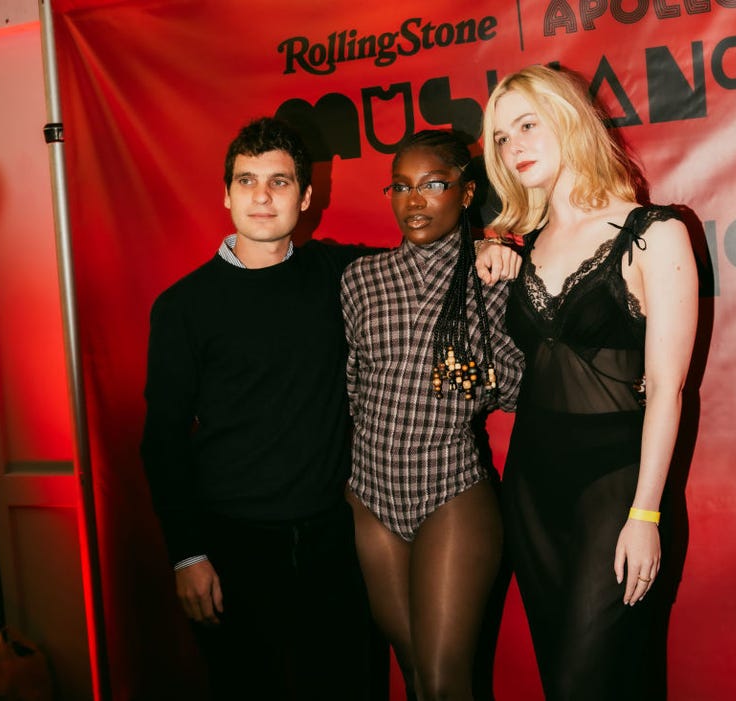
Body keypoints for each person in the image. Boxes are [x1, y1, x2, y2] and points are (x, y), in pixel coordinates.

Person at [140, 117, 521, 700]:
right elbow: (162, 440)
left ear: (306, 196)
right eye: (246, 181)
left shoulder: (338, 274)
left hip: (332, 538)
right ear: (225, 192)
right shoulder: (183, 307)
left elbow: (425, 255)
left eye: (279, 181)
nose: (262, 196)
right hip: (235, 544)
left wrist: (491, 246)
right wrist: (186, 553)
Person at [481, 65, 698, 700]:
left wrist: (646, 512)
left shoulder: (656, 232)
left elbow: (667, 387)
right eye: (499, 138)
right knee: (566, 680)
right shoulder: (523, 242)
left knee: (587, 681)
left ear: (569, 119)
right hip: (530, 484)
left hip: (616, 483)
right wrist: (484, 248)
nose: (512, 146)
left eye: (526, 125)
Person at [340, 130, 524, 701]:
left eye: (432, 185)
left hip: (451, 487)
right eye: (400, 187)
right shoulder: (359, 281)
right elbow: (351, 387)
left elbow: (526, 391)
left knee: (446, 682)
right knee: (417, 672)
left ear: (466, 194)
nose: (413, 201)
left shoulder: (497, 274)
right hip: (369, 495)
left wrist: (480, 372)